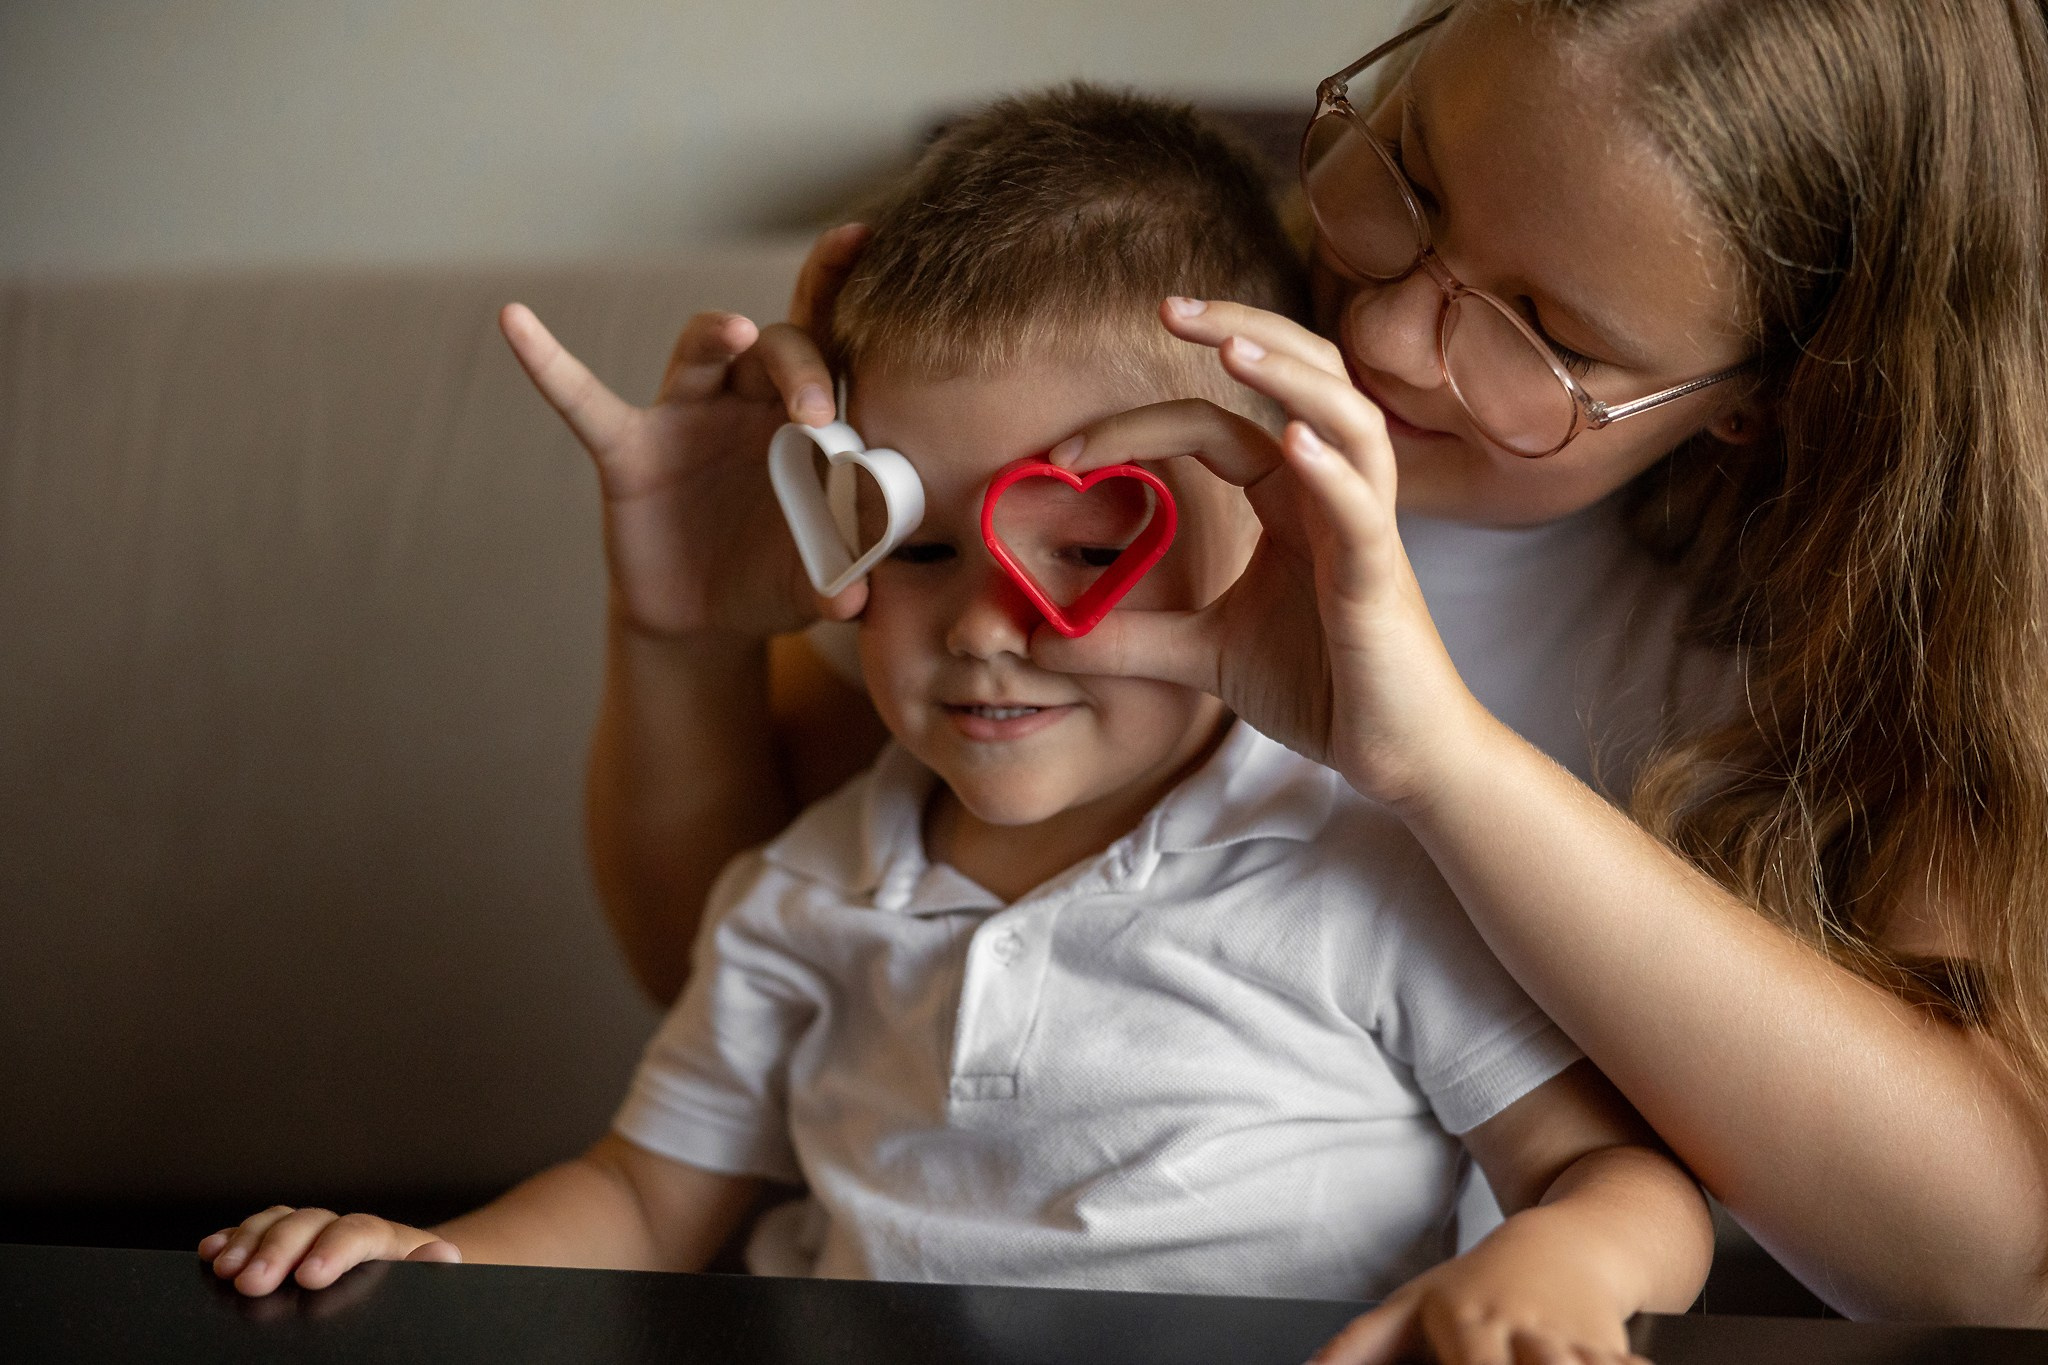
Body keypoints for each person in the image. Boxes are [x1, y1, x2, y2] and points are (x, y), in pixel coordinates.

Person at [492, 0, 2048, 1344]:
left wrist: (1438, 761)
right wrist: (686, 633)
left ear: (1766, 395)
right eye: (1406, 179)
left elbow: (1989, 1260)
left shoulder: (1861, 629)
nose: (1373, 323)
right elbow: (766, 951)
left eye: (1541, 330)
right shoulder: (1154, 396)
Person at [196, 89, 1710, 1365]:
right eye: (919, 545)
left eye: (1079, 543)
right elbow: (645, 1199)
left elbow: (1619, 1174)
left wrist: (1570, 1264)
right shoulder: (803, 888)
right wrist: (435, 1259)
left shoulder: (1366, 868)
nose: (986, 621)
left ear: (1266, 522)